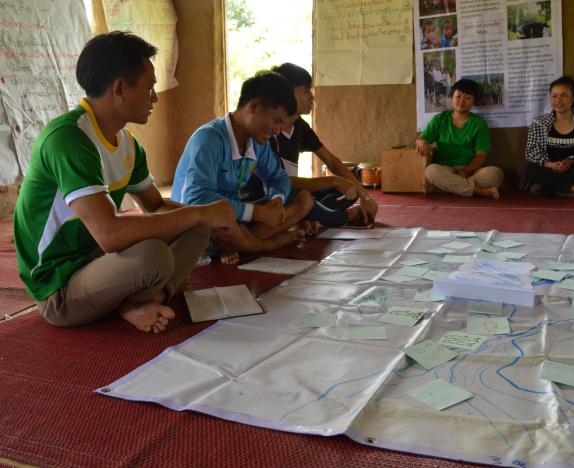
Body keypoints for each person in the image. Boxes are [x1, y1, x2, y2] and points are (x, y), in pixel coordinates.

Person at [13, 32, 242, 334]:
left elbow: (156, 205)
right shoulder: (68, 139)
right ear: (120, 88)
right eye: (149, 88)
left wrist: (205, 218)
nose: (155, 98)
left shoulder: (128, 145)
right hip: (59, 286)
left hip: (99, 261)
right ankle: (136, 300)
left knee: (195, 228)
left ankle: (145, 299)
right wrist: (199, 212)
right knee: (155, 256)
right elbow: (110, 235)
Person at [171, 72, 312, 261]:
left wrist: (276, 201)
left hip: (235, 222)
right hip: (201, 226)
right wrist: (258, 213)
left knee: (305, 201)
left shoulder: (257, 143)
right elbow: (197, 198)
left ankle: (242, 242)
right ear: (254, 106)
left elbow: (278, 177)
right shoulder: (209, 139)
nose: (278, 130)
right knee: (223, 226)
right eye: (276, 120)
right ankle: (265, 243)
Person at [242, 62, 378, 227]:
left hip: (290, 195)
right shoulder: (265, 130)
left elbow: (332, 161)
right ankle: (344, 216)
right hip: (269, 198)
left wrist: (364, 195)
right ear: (286, 94)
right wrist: (334, 181)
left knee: (347, 188)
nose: (312, 97)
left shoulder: (299, 126)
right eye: (306, 91)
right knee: (307, 200)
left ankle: (309, 217)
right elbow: (281, 182)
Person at [416, 79, 503, 198]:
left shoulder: (478, 123)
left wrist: (466, 171)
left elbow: (481, 155)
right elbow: (421, 139)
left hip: (471, 171)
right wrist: (422, 143)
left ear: (474, 102)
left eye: (467, 98)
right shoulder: (439, 119)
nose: (461, 101)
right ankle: (479, 191)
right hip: (444, 169)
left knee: (495, 174)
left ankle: (445, 189)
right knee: (431, 171)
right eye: (458, 96)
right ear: (452, 97)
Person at [522, 76, 574, 198]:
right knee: (531, 168)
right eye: (554, 96)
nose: (558, 100)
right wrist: (551, 165)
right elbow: (531, 154)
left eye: (564, 95)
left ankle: (553, 186)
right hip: (549, 170)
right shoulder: (539, 124)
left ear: (573, 98)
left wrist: (570, 162)